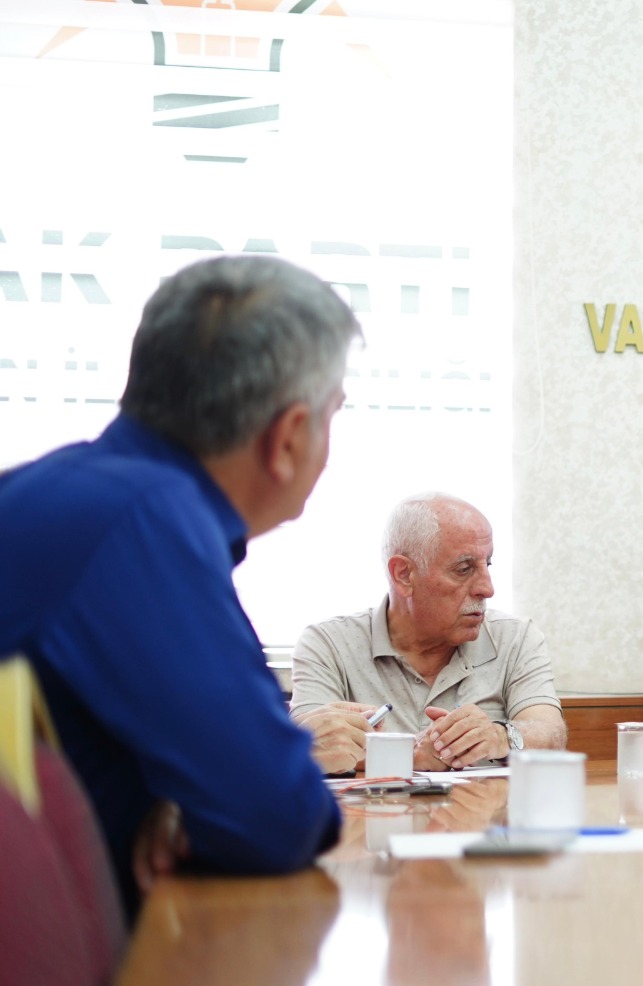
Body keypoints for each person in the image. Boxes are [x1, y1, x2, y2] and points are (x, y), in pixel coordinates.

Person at [0, 255, 357, 919]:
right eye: (333, 413)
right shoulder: (142, 523)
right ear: (288, 438)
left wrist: (173, 802)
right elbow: (280, 816)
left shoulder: (66, 491)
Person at [290, 493, 565, 771]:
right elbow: (306, 747)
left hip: (482, 801)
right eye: (464, 569)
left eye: (488, 564)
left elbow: (551, 734)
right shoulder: (328, 644)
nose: (488, 588)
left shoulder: (516, 637)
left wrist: (499, 736)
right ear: (403, 574)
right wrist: (411, 756)